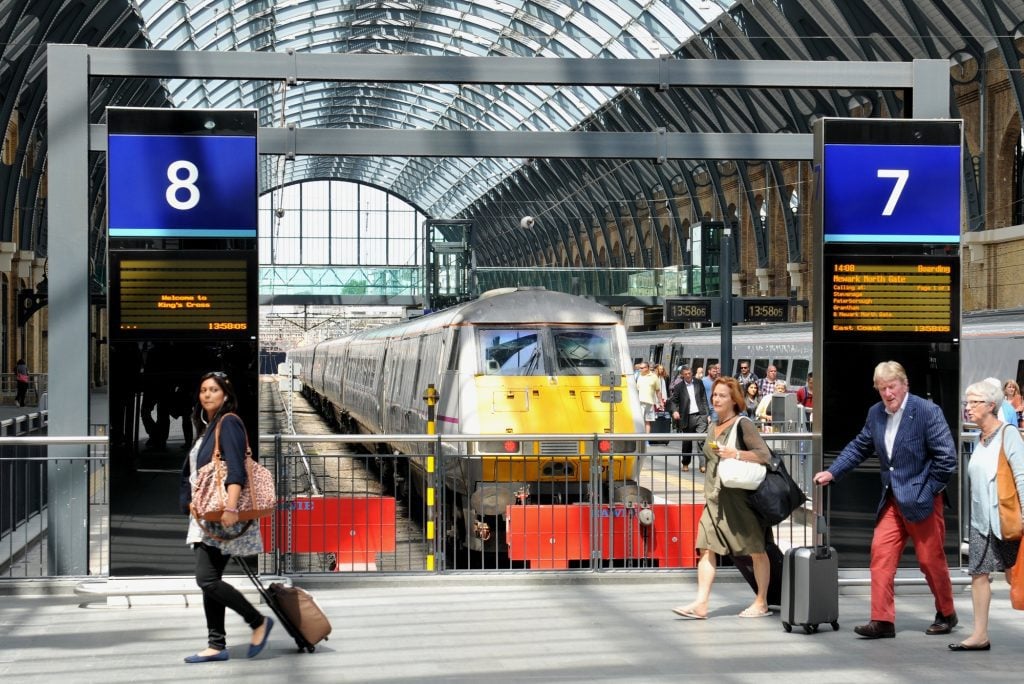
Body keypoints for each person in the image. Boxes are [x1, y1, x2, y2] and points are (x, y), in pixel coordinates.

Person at [813, 361, 957, 640]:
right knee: (880, 557)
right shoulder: (876, 413)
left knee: (930, 561)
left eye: (891, 387)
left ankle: (947, 612)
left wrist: (926, 492)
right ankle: (882, 620)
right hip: (892, 499)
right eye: (882, 389)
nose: (887, 394)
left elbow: (947, 458)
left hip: (923, 500)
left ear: (905, 385)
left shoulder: (927, 411)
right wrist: (833, 471)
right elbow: (859, 446)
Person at [179, 371, 273, 663]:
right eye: (203, 389)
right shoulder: (208, 426)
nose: (206, 394)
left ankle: (257, 620)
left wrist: (231, 507)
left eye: (213, 390)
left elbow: (235, 469)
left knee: (206, 579)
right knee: (212, 580)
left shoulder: (228, 423)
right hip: (207, 516)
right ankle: (216, 645)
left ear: (226, 395)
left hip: (222, 515)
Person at [672, 376, 774, 619]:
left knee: (756, 549)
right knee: (706, 547)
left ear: (734, 400)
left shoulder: (742, 424)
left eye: (722, 395)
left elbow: (764, 455)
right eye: (715, 395)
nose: (716, 399)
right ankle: (701, 602)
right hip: (715, 498)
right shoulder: (712, 425)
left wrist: (736, 453)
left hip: (739, 501)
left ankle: (761, 602)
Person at [950, 380, 1024, 651]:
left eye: (974, 402)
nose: (967, 408)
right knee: (979, 574)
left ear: (991, 405)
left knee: (1017, 576)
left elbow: (1021, 476)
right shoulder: (980, 438)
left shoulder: (1009, 434)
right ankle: (980, 634)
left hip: (1008, 520)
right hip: (983, 523)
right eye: (966, 403)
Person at [667, 367, 710, 473]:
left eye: (689, 373)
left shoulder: (699, 383)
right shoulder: (678, 387)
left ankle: (703, 464)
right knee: (687, 442)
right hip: (687, 417)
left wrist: (707, 414)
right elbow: (673, 401)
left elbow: (704, 398)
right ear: (682, 375)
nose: (688, 375)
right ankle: (685, 463)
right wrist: (675, 411)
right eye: (685, 374)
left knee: (701, 440)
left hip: (700, 415)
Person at [635, 362, 662, 435]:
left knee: (647, 421)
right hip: (639, 403)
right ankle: (638, 438)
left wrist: (660, 402)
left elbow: (658, 391)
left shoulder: (654, 377)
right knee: (639, 421)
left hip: (650, 403)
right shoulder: (638, 376)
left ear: (647, 368)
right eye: (640, 368)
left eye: (642, 368)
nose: (640, 369)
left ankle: (646, 439)